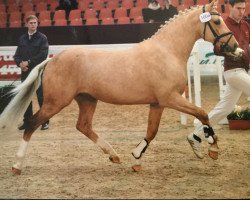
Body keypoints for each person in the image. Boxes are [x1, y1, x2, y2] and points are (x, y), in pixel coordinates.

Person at [187, 0, 250, 158]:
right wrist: (231, 51)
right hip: (233, 71)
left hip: (243, 70)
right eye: (238, 8)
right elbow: (216, 49)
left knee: (225, 109)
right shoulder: (223, 24)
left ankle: (196, 135)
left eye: (244, 8)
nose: (241, 11)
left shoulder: (246, 25)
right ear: (230, 7)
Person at [14, 15, 49, 131]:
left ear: (37, 24)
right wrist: (20, 64)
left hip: (38, 72)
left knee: (41, 97)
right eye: (31, 23)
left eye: (35, 23)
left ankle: (44, 121)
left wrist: (28, 62)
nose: (33, 25)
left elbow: (43, 55)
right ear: (27, 24)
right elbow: (17, 55)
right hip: (25, 72)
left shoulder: (42, 38)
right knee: (26, 97)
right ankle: (27, 121)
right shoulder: (22, 38)